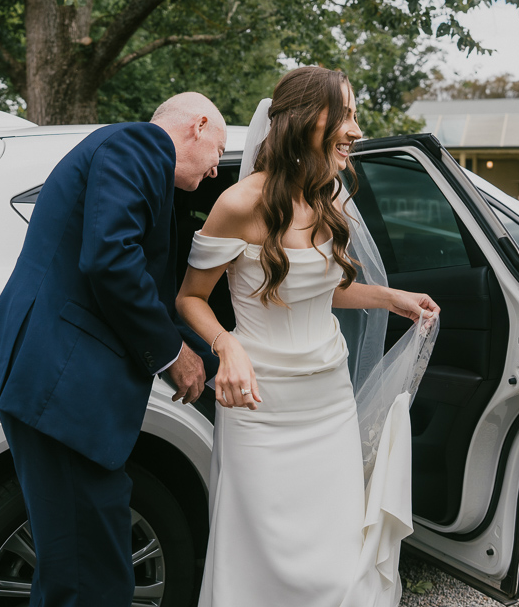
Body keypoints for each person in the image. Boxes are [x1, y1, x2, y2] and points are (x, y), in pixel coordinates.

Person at [176, 66, 440, 607]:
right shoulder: (239, 204)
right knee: (260, 560)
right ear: (304, 121)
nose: (356, 130)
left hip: (329, 404)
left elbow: (322, 289)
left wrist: (391, 297)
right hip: (260, 408)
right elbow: (190, 298)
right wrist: (226, 345)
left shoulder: (330, 198)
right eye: (345, 115)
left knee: (335, 558)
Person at [0, 92, 226, 606]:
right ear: (197, 125)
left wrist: (215, 363)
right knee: (93, 581)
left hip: (61, 392)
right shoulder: (139, 144)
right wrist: (173, 356)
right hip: (63, 388)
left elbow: (145, 289)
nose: (216, 168)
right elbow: (111, 260)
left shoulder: (135, 159)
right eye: (218, 149)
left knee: (73, 572)